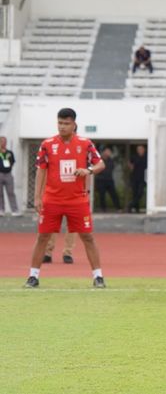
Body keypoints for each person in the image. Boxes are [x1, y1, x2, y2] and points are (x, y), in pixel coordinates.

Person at [24, 107, 107, 289]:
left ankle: (98, 276)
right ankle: (33, 276)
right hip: (52, 199)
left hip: (77, 200)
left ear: (74, 124)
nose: (62, 127)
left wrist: (88, 170)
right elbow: (41, 170)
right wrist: (37, 197)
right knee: (43, 237)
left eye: (66, 123)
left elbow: (100, 163)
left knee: (88, 237)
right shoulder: (47, 144)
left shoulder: (85, 144)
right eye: (60, 123)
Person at [95, 147, 122, 212]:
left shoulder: (111, 160)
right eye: (107, 151)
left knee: (114, 194)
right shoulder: (99, 160)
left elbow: (112, 168)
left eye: (109, 152)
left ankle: (118, 208)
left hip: (109, 180)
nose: (108, 153)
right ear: (104, 152)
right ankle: (103, 209)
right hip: (101, 180)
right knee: (102, 195)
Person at [0, 135, 20, 216]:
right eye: (2, 141)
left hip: (8, 174)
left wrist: (9, 166)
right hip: (0, 173)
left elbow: (12, 161)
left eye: (5, 141)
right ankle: (1, 210)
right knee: (0, 193)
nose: (4, 143)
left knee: (11, 192)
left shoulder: (9, 153)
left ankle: (14, 210)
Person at [128, 145, 147, 213]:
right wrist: (131, 167)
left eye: (140, 149)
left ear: (143, 149)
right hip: (134, 178)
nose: (139, 150)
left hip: (143, 178)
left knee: (140, 193)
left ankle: (130, 205)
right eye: (138, 149)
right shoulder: (134, 157)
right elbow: (130, 163)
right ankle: (137, 209)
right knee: (135, 193)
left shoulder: (147, 157)